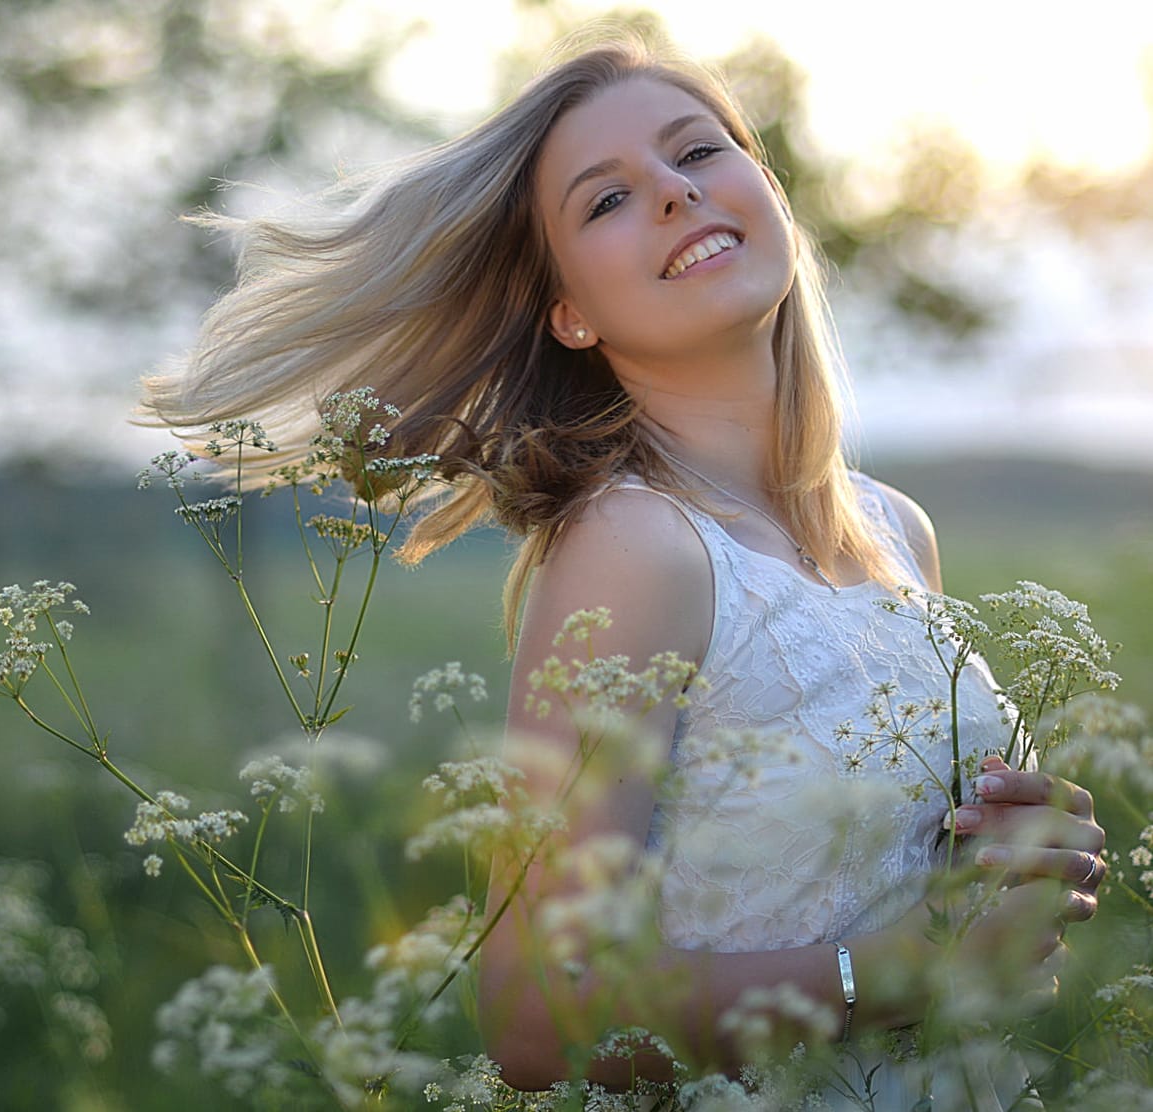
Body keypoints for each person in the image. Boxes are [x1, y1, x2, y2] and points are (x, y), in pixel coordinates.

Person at [139, 28, 1106, 1107]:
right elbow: (536, 1021)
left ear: (766, 189)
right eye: (605, 200)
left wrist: (1025, 859)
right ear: (571, 312)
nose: (672, 193)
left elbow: (914, 891)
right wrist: (897, 970)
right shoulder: (636, 548)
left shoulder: (897, 529)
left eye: (698, 153)